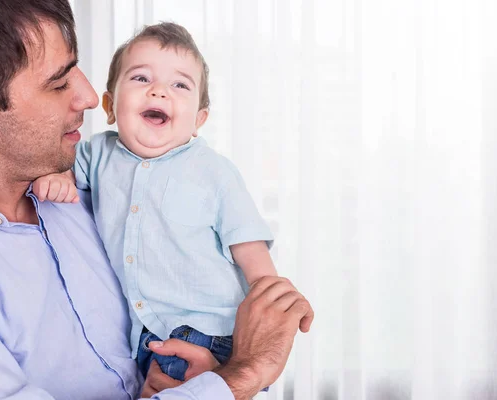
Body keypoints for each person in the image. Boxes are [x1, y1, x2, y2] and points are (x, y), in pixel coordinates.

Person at [0, 1, 313, 399]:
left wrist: (203, 377)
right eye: (58, 81)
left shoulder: (97, 185)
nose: (89, 96)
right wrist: (243, 374)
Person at [32, 22, 310, 386]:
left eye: (180, 85)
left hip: (212, 330)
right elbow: (64, 168)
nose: (160, 91)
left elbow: (248, 246)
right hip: (145, 337)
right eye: (141, 79)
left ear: (199, 120)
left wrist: (266, 309)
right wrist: (57, 179)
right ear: (111, 106)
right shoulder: (97, 153)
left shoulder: (213, 172)